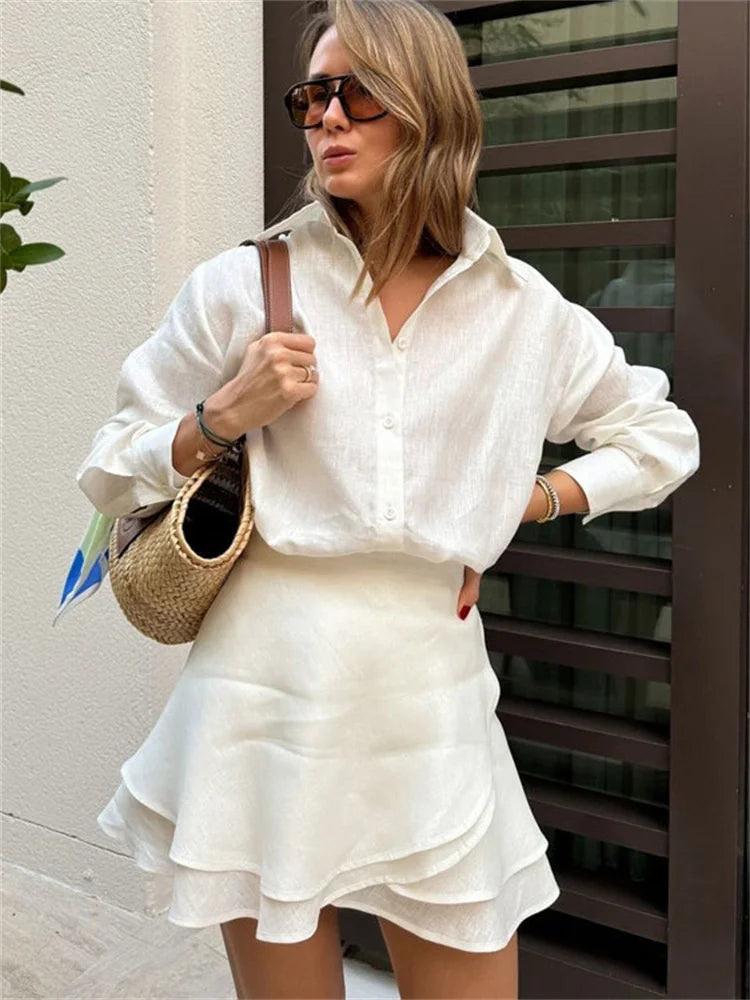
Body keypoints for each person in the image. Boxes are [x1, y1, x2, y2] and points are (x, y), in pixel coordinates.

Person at [77, 1, 701, 997]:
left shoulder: (520, 309)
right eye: (311, 96)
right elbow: (110, 469)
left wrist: (523, 500)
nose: (328, 117)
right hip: (261, 694)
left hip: (431, 698)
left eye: (357, 93)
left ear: (429, 109)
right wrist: (222, 415)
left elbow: (661, 439)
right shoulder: (242, 286)